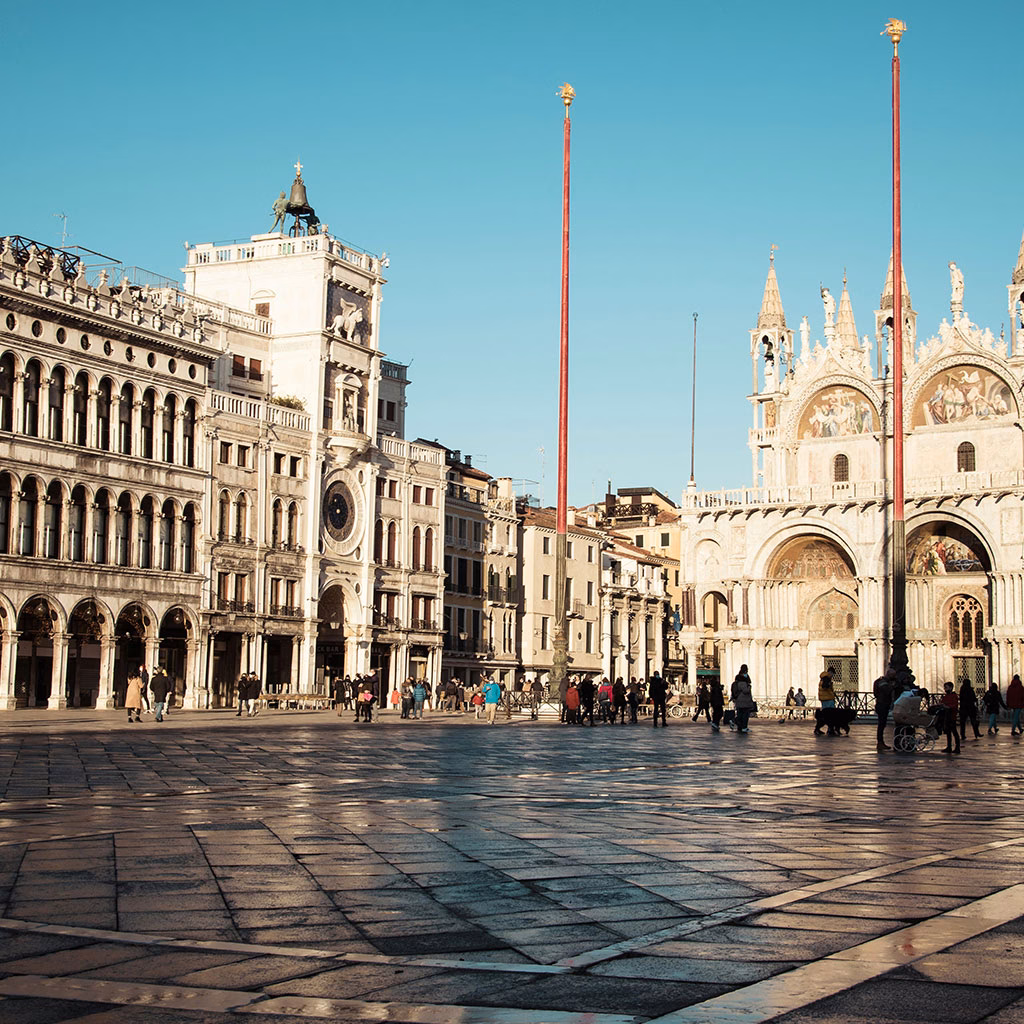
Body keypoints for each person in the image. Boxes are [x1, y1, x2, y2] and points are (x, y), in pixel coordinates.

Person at [873, 667, 897, 751]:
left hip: (885, 704)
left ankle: (881, 742)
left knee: (883, 724)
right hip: (881, 704)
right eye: (893, 675)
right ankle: (880, 742)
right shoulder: (882, 682)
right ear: (889, 675)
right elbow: (886, 691)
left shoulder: (886, 682)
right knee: (881, 724)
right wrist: (893, 685)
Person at [731, 664, 755, 734]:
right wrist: (749, 687)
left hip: (739, 701)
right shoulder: (743, 682)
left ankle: (739, 727)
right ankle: (743, 727)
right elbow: (746, 691)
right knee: (744, 715)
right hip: (744, 701)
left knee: (740, 714)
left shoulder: (738, 680)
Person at [939, 680, 961, 753]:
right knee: (948, 732)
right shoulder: (946, 696)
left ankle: (957, 747)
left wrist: (947, 706)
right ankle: (949, 747)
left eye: (946, 687)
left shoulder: (953, 696)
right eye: (945, 688)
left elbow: (954, 706)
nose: (945, 689)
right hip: (946, 716)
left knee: (954, 732)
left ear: (951, 688)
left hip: (951, 716)